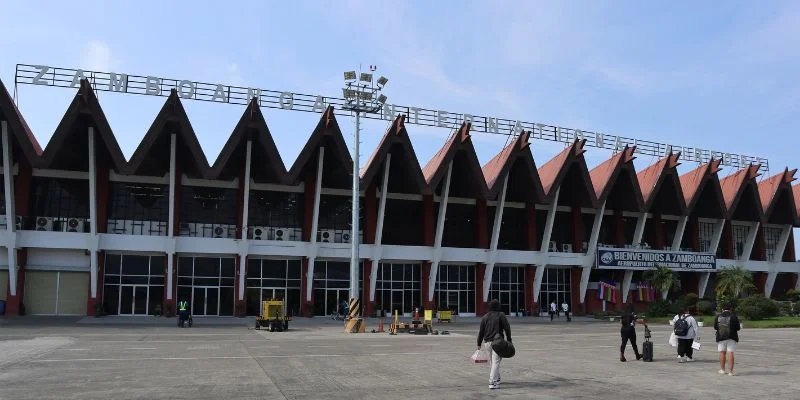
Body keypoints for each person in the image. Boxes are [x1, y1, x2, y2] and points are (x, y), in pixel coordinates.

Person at [477, 299, 512, 390]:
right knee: (496, 362)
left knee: (493, 362)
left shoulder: (485, 317)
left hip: (487, 343)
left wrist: (478, 343)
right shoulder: (501, 315)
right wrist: (509, 340)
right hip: (498, 342)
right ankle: (492, 382)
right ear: (498, 306)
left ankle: (497, 378)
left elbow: (481, 331)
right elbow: (507, 328)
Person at [714, 303, 741, 376]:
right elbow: (738, 328)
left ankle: (722, 370)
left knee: (722, 353)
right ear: (731, 309)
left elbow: (715, 327)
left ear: (722, 309)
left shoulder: (718, 317)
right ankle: (730, 372)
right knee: (730, 353)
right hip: (732, 337)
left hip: (721, 337)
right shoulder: (734, 316)